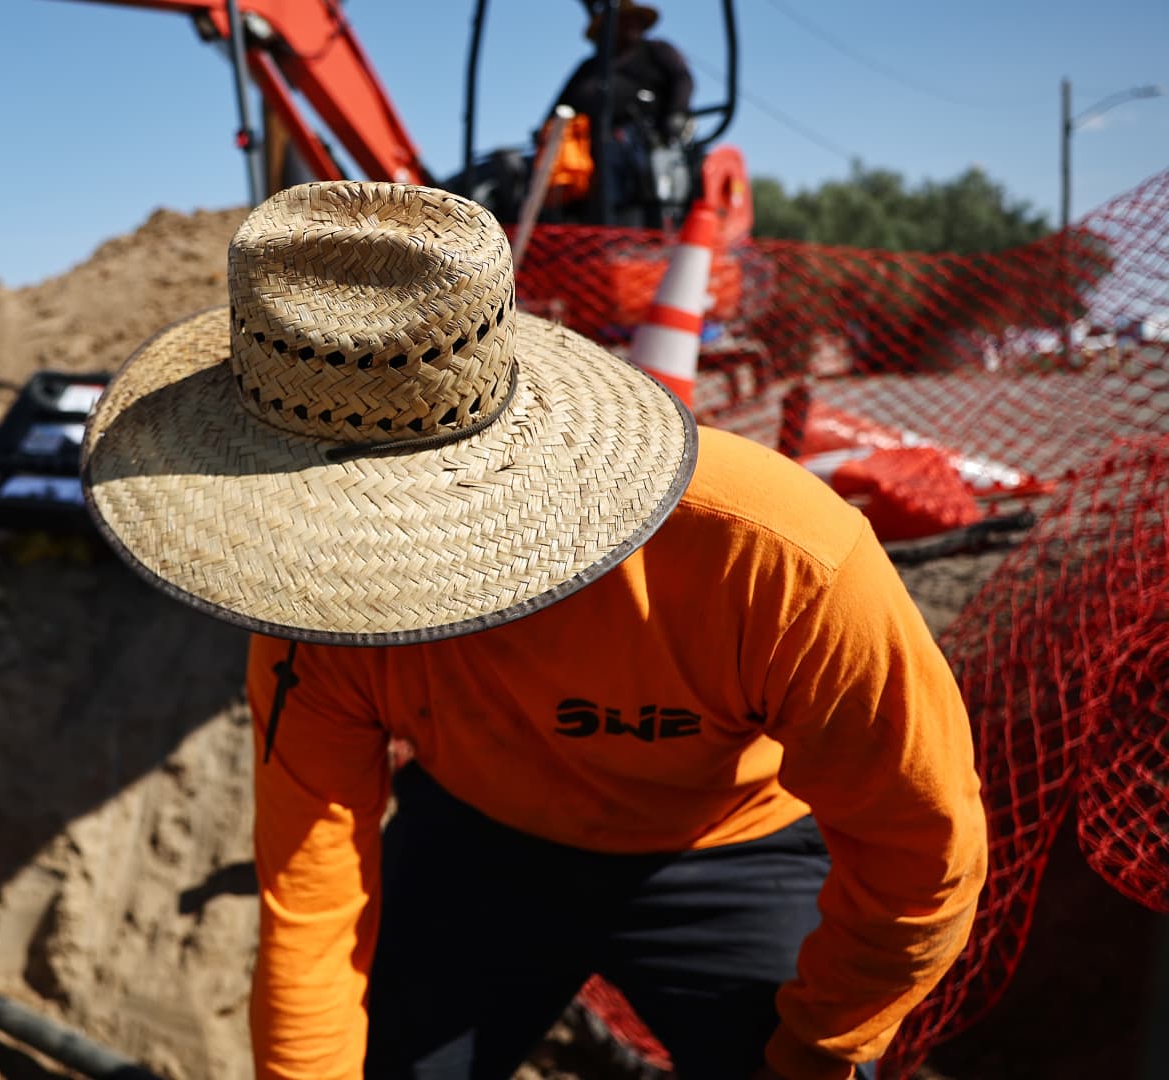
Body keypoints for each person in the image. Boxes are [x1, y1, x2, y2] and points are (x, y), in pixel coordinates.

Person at [81, 182, 986, 1080]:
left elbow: (923, 852)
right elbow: (311, 897)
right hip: (480, 840)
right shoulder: (310, 609)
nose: (355, 576)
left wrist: (815, 1054)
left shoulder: (771, 554)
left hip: (730, 843)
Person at [549, 1, 695, 225]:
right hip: (583, 144)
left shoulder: (656, 51)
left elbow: (683, 80)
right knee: (541, 164)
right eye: (625, 20)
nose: (632, 25)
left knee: (612, 151)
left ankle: (620, 230)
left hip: (637, 138)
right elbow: (559, 107)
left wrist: (677, 113)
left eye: (635, 20)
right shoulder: (589, 67)